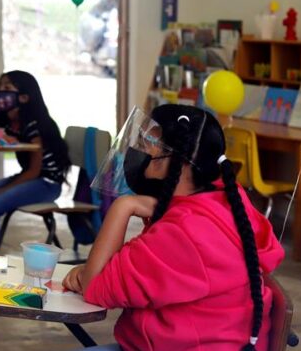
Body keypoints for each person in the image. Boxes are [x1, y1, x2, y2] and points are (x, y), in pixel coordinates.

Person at [63, 104, 285, 351]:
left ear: (179, 160)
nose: (136, 150)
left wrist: (123, 206)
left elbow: (95, 287)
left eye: (146, 142)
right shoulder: (223, 202)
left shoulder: (184, 233)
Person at [0, 71, 70, 279]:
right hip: (29, 176)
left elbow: (35, 171)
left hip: (46, 182)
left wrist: (0, 191)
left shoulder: (35, 124)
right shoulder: (9, 122)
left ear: (25, 97)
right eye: (0, 87)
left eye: (8, 88)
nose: (1, 92)